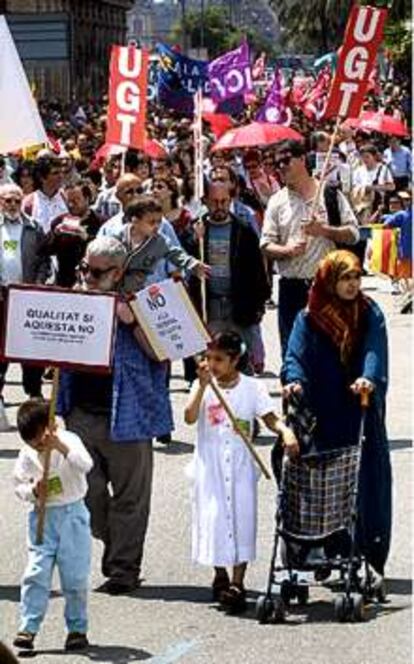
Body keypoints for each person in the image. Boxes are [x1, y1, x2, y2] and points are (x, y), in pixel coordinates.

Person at [57, 237, 174, 595]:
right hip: (81, 413)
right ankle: (115, 542)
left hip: (130, 414)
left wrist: (132, 321)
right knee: (84, 492)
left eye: (96, 273)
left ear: (118, 272)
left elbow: (166, 351)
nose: (88, 278)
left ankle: (123, 569)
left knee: (130, 499)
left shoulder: (145, 300)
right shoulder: (75, 300)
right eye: (84, 270)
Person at [281, 250, 392, 579]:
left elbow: (375, 349)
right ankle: (321, 552)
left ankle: (363, 553)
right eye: (344, 278)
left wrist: (368, 378)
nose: (352, 284)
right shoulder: (309, 315)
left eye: (356, 277)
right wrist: (294, 382)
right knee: (321, 484)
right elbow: (294, 355)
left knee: (363, 484)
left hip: (358, 409)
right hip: (321, 411)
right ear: (329, 280)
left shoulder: (369, 312)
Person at [184, 331, 299, 614]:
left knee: (240, 519)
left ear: (235, 360)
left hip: (240, 464)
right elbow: (188, 416)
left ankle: (238, 582)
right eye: (208, 358)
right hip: (210, 464)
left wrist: (285, 432)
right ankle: (219, 573)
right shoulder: (204, 387)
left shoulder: (252, 387)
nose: (212, 364)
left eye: (219, 359)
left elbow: (269, 418)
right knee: (213, 519)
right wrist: (201, 386)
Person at [261, 139, 360, 357]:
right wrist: (287, 250)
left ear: (302, 159)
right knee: (293, 354)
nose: (281, 167)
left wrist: (324, 230)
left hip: (328, 287)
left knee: (331, 353)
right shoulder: (277, 201)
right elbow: (266, 244)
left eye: (286, 161)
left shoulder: (330, 194)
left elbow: (354, 234)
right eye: (276, 164)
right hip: (292, 289)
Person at [13, 399, 93, 652]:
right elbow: (18, 485)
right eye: (32, 444)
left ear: (52, 426)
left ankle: (77, 628)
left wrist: (60, 447)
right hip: (43, 518)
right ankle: (28, 626)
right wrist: (33, 491)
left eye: (39, 441)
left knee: (75, 576)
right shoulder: (27, 454)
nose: (37, 447)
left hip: (73, 515)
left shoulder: (69, 440)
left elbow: (85, 465)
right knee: (36, 572)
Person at [190, 181, 271, 357]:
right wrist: (195, 240)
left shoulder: (243, 230)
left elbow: (257, 270)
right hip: (210, 307)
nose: (220, 206)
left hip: (238, 306)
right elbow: (187, 263)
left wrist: (259, 304)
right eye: (215, 202)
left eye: (224, 201)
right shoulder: (198, 229)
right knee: (213, 357)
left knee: (239, 359)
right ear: (206, 201)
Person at [0, 184, 50, 429]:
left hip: (27, 296)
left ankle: (34, 395)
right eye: (7, 200)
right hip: (1, 296)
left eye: (16, 200)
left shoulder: (33, 227)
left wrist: (38, 284)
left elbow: (44, 261)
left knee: (30, 348)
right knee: (1, 348)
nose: (11, 205)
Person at [116, 198, 210, 293]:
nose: (156, 226)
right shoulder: (117, 238)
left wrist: (192, 264)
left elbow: (176, 253)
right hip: (119, 291)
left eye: (159, 222)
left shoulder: (159, 241)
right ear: (135, 221)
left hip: (144, 293)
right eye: (151, 222)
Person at [22, 154, 68, 233]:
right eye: (55, 173)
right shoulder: (29, 203)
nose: (61, 176)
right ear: (42, 178)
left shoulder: (66, 197)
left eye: (61, 172)